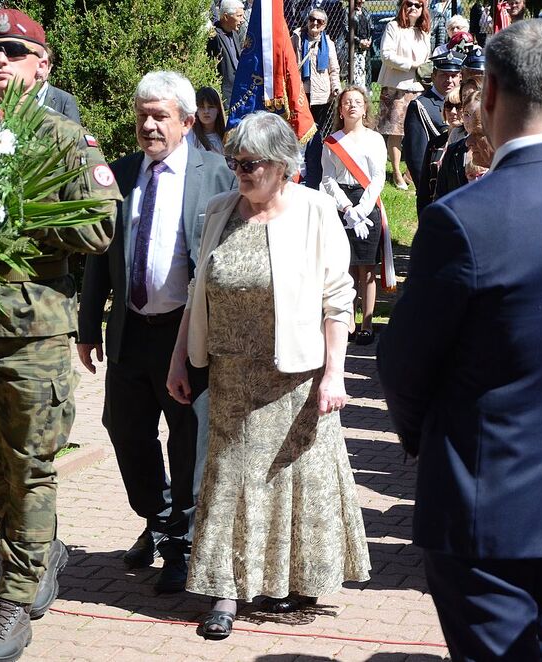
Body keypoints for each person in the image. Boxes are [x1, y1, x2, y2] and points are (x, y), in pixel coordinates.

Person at [377, 20, 542, 660]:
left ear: (491, 93)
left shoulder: (464, 219)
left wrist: (424, 435)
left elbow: (401, 363)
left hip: (485, 500)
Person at [0, 10, 120, 662]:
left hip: (31, 331)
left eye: (16, 53)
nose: (0, 62)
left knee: (28, 460)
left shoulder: (65, 138)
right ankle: (41, 546)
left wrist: (19, 221)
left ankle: (13, 602)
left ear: (42, 66)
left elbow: (99, 228)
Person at [166, 111, 371, 640]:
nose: (240, 173)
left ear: (282, 166)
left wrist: (335, 375)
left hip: (296, 377)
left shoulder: (316, 211)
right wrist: (179, 360)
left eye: (251, 164)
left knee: (295, 478)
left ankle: (291, 581)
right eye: (234, 163)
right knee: (229, 479)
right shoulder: (218, 210)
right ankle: (225, 592)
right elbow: (197, 292)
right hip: (232, 375)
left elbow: (337, 299)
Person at [77, 71, 236, 595]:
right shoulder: (119, 174)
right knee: (127, 433)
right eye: (143, 113)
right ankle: (158, 516)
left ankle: (181, 543)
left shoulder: (216, 175)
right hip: (131, 331)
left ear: (188, 122)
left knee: (189, 439)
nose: (148, 124)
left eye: (160, 115)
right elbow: (101, 253)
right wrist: (87, 326)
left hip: (188, 335)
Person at [321, 86, 387, 345]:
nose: (352, 106)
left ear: (365, 108)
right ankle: (347, 321)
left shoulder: (375, 139)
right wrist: (347, 208)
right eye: (347, 102)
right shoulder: (331, 141)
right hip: (341, 205)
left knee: (367, 267)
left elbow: (379, 176)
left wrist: (362, 208)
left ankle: (367, 323)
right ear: (340, 108)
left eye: (357, 102)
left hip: (367, 202)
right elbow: (327, 178)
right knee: (345, 267)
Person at [376, 0, 431, 190]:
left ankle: (411, 171)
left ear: (423, 8)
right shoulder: (393, 26)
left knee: (416, 131)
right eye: (409, 4)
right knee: (396, 131)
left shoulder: (424, 31)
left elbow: (426, 59)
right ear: (402, 6)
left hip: (418, 87)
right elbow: (386, 54)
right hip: (396, 85)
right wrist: (412, 65)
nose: (413, 8)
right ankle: (397, 173)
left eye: (418, 4)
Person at [403, 52, 461, 214]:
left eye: (454, 75)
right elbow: (416, 156)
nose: (449, 80)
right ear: (434, 76)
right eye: (444, 75)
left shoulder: (466, 103)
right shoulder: (421, 106)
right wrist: (426, 191)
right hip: (435, 186)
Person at [293, 8, 341, 189]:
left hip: (322, 97)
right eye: (312, 19)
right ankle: (299, 173)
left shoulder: (328, 43)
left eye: (319, 21)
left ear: (325, 25)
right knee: (301, 134)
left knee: (316, 135)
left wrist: (336, 87)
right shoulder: (297, 38)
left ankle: (315, 175)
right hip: (301, 95)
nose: (314, 24)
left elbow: (334, 69)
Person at [418, 87, 463, 211]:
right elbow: (424, 188)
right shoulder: (435, 143)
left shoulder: (471, 144)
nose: (453, 111)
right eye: (448, 106)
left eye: (458, 106)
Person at [208, 0, 245, 109]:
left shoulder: (234, 33)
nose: (242, 20)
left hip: (237, 92)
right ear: (226, 16)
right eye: (239, 16)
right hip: (223, 98)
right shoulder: (214, 36)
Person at [34, 45, 84, 124]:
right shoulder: (17, 96)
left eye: (43, 65)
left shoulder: (65, 101)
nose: (38, 71)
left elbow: (75, 135)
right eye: (35, 64)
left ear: (49, 68)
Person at [190, 86, 228, 154]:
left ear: (218, 109)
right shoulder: (190, 136)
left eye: (210, 107)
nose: (206, 111)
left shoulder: (226, 136)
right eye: (202, 107)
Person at [349, 0, 373, 87]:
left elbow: (371, 27)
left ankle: (365, 93)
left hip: (366, 47)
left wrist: (369, 40)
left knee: (365, 73)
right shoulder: (348, 11)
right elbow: (347, 30)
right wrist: (359, 41)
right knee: (356, 75)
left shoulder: (365, 11)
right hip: (354, 48)